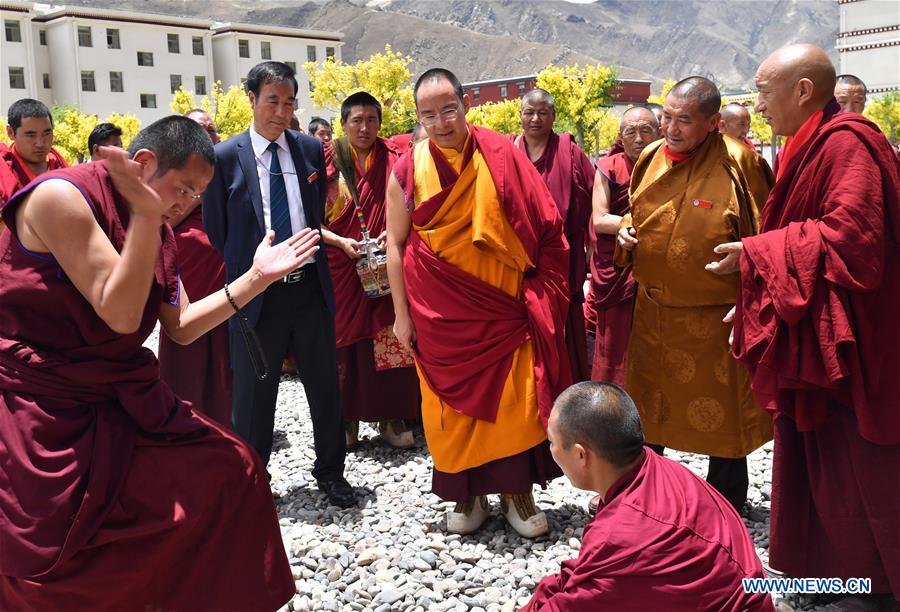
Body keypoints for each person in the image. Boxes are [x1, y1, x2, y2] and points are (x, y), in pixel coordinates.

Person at [0, 115, 315, 610]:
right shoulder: (60, 198)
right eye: (183, 189)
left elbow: (181, 325)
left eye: (197, 195)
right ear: (144, 163)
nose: (187, 204)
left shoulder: (154, 224)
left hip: (119, 392)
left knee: (232, 469)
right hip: (43, 402)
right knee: (62, 545)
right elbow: (122, 314)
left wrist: (257, 278)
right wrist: (148, 219)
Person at [724, 43, 900, 609]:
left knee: (858, 460)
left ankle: (880, 587)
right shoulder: (807, 144)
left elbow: (855, 241)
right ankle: (835, 576)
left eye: (763, 91)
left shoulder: (848, 144)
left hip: (856, 341)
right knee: (818, 453)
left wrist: (757, 254)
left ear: (803, 91)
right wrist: (762, 290)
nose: (758, 105)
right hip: (819, 326)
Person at [386, 68, 571, 538]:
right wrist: (401, 316)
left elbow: (546, 224)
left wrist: (538, 290)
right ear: (418, 117)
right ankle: (468, 495)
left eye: (449, 110)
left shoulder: (500, 154)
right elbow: (396, 245)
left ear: (465, 105)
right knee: (449, 409)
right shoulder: (407, 169)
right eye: (429, 115)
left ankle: (517, 493)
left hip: (502, 308)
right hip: (440, 315)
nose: (441, 122)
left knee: (513, 402)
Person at [615, 76, 773, 512]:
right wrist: (625, 232)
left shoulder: (740, 162)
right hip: (653, 312)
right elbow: (637, 213)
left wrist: (751, 274)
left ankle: (727, 501)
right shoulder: (650, 156)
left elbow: (768, 231)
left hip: (714, 316)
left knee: (723, 414)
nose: (671, 128)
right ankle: (646, 496)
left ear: (713, 123)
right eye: (667, 117)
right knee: (650, 411)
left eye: (684, 120)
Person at [202, 61, 355, 508]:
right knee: (254, 393)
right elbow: (217, 229)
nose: (282, 112)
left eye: (289, 103)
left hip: (309, 289)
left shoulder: (308, 150)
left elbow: (313, 213)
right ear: (251, 99)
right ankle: (254, 478)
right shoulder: (224, 157)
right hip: (256, 295)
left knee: (324, 387)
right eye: (273, 101)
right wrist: (253, 271)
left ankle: (331, 472)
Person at [523, 382, 775, 612]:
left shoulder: (621, 534)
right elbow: (584, 575)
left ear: (581, 455)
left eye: (552, 442)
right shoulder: (657, 468)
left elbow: (573, 604)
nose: (551, 450)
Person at [324, 91, 419, 448]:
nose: (364, 128)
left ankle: (392, 417)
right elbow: (306, 218)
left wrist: (394, 232)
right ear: (343, 124)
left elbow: (413, 206)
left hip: (384, 263)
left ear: (380, 123)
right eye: (356, 121)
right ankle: (346, 419)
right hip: (342, 265)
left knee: (390, 336)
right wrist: (338, 241)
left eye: (371, 120)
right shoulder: (326, 161)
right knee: (344, 344)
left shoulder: (395, 158)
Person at [511, 88, 593, 381]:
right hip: (518, 262)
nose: (535, 119)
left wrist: (590, 249)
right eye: (529, 112)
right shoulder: (507, 152)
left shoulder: (569, 153)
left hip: (562, 260)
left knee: (563, 332)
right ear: (520, 115)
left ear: (554, 116)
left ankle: (564, 388)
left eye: (543, 112)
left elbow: (592, 202)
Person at [156, 110, 231, 427]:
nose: (206, 136)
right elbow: (162, 222)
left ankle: (223, 423)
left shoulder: (228, 168)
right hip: (186, 275)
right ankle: (178, 419)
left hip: (223, 279)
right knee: (186, 353)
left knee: (224, 357)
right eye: (199, 130)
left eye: (210, 130)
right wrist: (198, 195)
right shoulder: (171, 175)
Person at [585, 106, 659, 388]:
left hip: (658, 266)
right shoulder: (609, 167)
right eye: (631, 131)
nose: (639, 138)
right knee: (617, 341)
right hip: (620, 268)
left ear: (659, 132)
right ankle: (614, 396)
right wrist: (632, 224)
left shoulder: (670, 166)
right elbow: (600, 219)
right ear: (621, 135)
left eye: (646, 130)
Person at [1, 98, 67, 206]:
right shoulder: (4, 170)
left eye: (46, 133)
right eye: (30, 135)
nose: (40, 144)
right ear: (11, 132)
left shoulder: (58, 165)